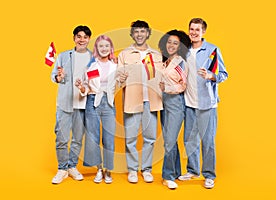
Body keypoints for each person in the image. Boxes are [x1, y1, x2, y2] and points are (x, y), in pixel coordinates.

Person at [178, 18, 228, 189]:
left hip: (207, 104)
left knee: (207, 141)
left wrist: (210, 76)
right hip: (189, 103)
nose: (193, 32)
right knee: (189, 140)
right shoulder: (184, 50)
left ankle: (209, 175)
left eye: (197, 30)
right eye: (191, 29)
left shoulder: (212, 50)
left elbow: (223, 74)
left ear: (203, 32)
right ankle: (192, 171)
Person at [117, 20, 163, 183]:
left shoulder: (157, 55)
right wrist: (120, 78)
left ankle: (147, 169)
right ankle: (132, 170)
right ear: (132, 34)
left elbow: (164, 77)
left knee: (150, 138)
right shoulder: (124, 54)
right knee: (130, 138)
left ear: (148, 33)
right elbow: (117, 79)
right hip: (132, 101)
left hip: (152, 101)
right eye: (136, 31)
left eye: (143, 31)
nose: (139, 34)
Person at [50, 25, 92, 184]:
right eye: (79, 36)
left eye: (85, 37)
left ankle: (72, 166)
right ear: (74, 38)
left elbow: (95, 80)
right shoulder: (63, 56)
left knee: (77, 139)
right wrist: (59, 78)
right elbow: (55, 76)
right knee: (61, 138)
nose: (82, 39)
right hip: (64, 104)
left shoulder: (93, 58)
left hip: (83, 105)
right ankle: (62, 169)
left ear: (88, 39)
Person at [75, 35, 117, 184]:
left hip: (109, 103)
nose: (104, 49)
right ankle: (99, 169)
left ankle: (108, 170)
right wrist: (81, 87)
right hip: (92, 101)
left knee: (109, 139)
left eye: (107, 46)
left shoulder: (116, 66)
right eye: (101, 46)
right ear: (97, 49)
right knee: (93, 138)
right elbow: (86, 86)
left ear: (110, 48)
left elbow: (120, 83)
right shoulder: (91, 66)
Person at [158, 30, 190, 189]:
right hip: (163, 104)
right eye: (169, 42)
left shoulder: (180, 63)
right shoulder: (164, 61)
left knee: (170, 140)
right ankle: (176, 172)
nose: (171, 45)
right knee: (169, 140)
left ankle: (167, 176)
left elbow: (183, 85)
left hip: (176, 103)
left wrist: (167, 87)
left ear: (180, 46)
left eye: (175, 43)